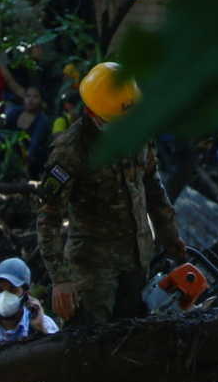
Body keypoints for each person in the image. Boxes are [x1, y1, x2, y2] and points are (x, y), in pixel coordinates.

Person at [36, 62, 184, 325]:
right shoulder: (70, 152)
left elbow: (153, 187)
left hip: (138, 259)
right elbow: (49, 217)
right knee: (92, 345)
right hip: (93, 269)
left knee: (135, 338)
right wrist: (60, 279)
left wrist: (171, 239)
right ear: (92, 113)